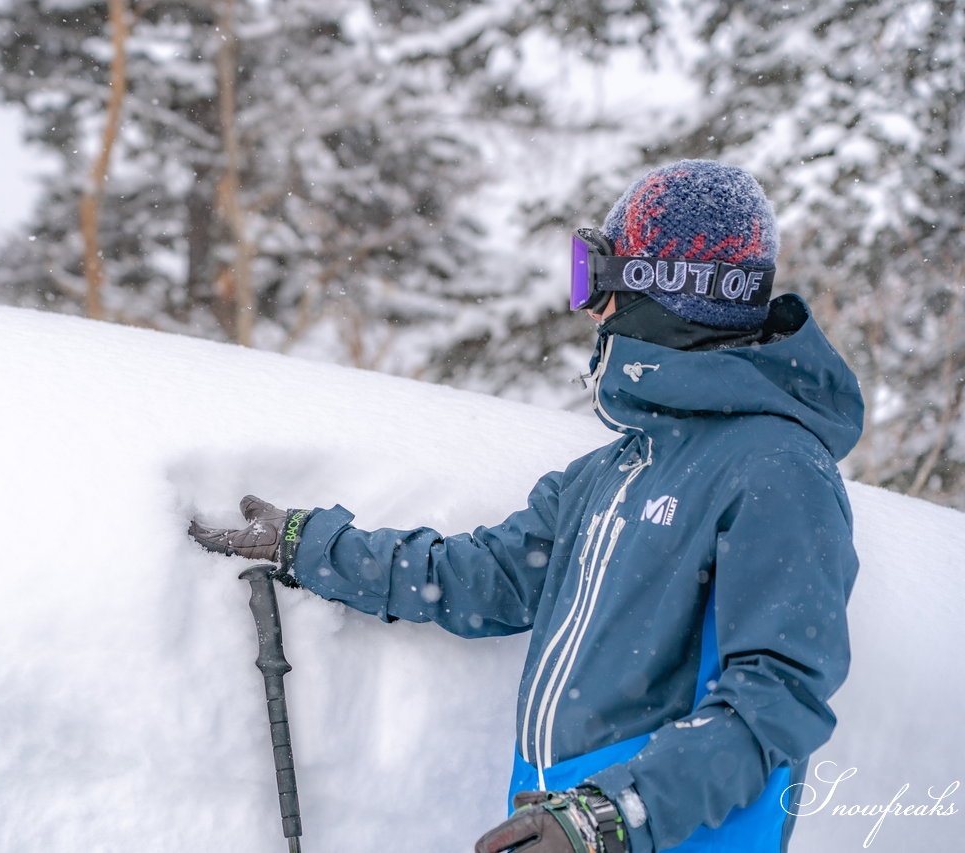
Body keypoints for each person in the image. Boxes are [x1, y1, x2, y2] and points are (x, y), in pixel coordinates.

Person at [189, 160, 864, 853]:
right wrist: (310, 546)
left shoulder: (776, 469)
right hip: (558, 822)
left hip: (661, 835)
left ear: (665, 289)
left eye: (596, 275)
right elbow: (482, 576)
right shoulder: (612, 473)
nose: (590, 305)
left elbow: (777, 700)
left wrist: (615, 814)